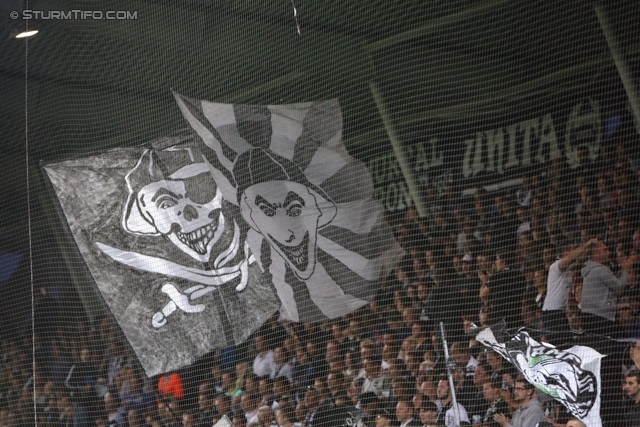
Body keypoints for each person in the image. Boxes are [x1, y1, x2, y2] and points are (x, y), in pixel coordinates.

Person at [541, 238, 596, 346]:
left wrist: (591, 247)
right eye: (572, 249)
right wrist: (587, 243)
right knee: (563, 345)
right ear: (565, 251)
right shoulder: (556, 266)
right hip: (552, 313)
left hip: (559, 312)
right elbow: (573, 257)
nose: (575, 252)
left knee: (567, 343)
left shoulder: (567, 269)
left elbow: (581, 259)